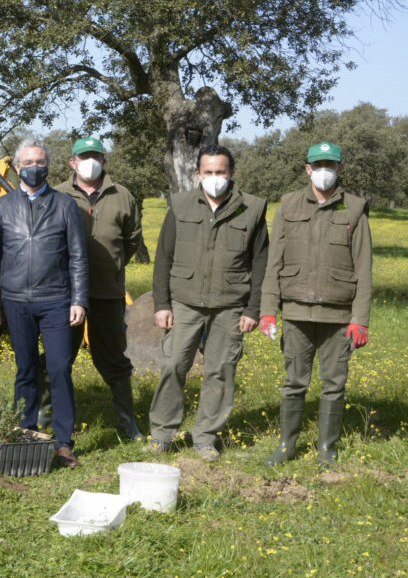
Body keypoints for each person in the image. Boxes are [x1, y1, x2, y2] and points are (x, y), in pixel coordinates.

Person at [149, 144, 268, 462]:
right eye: (209, 172)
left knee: (221, 370)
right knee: (174, 364)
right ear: (198, 174)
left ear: (231, 174)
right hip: (185, 301)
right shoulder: (180, 204)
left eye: (221, 172)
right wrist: (162, 303)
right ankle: (162, 434)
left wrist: (253, 309)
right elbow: (163, 256)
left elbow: (261, 263)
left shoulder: (253, 209)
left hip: (230, 305)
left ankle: (205, 437)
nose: (215, 178)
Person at [260, 142, 372, 468]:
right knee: (294, 382)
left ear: (340, 168)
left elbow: (364, 268)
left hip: (339, 315)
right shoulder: (289, 205)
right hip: (295, 312)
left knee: (334, 384)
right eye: (318, 164)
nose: (324, 170)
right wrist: (269, 308)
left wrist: (360, 319)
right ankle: (287, 445)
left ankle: (327, 448)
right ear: (307, 168)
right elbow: (273, 263)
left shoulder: (354, 208)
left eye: (330, 164)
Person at [0, 138, 88, 468]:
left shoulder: (65, 206)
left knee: (59, 370)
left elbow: (78, 257)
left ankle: (63, 442)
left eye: (40, 163)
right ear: (16, 167)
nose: (34, 168)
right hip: (15, 301)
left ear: (49, 166)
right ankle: (26, 433)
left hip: (57, 300)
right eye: (28, 163)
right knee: (25, 370)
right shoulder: (2, 207)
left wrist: (79, 299)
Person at [53, 137, 145, 441]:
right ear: (73, 162)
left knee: (115, 359)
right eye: (83, 156)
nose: (89, 161)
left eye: (95, 156)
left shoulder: (122, 195)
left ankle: (127, 422)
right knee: (59, 356)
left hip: (107, 291)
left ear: (104, 161)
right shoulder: (58, 195)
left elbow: (132, 240)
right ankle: (44, 419)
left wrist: (113, 265)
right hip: (66, 295)